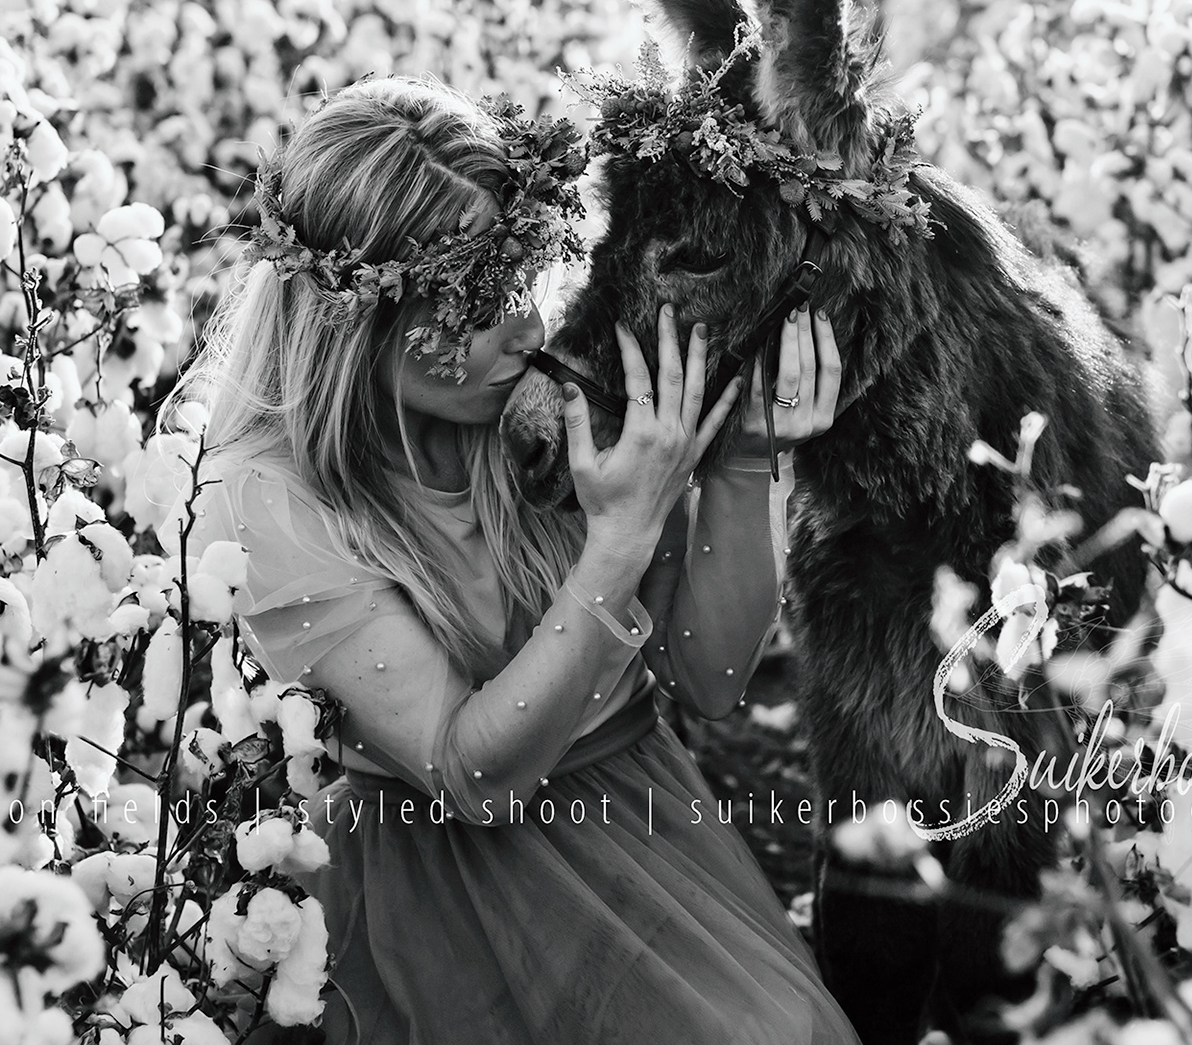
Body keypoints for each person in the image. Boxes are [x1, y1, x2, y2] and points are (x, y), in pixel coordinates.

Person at [177, 77, 861, 1044]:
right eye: (482, 301)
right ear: (359, 316)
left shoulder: (533, 409)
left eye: (524, 280)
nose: (533, 329)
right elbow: (473, 777)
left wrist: (747, 465)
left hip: (646, 826)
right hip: (438, 886)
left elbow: (708, 681)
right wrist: (618, 539)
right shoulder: (269, 498)